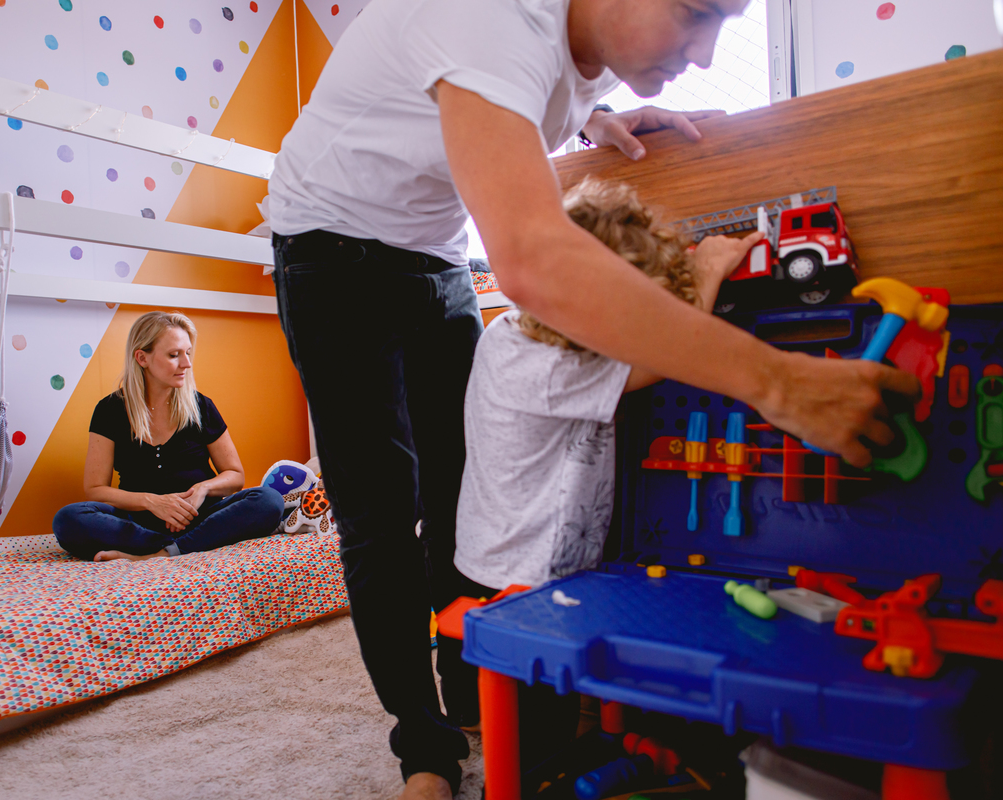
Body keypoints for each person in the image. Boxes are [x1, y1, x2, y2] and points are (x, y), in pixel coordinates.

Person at [267, 1, 919, 796]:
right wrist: (779, 381)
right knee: (381, 514)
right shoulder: (490, 16)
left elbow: (505, 94)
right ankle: (424, 745)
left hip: (432, 253)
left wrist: (593, 115)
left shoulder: (580, 47)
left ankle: (474, 688)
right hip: (331, 249)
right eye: (695, 12)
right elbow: (533, 259)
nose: (705, 54)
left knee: (455, 488)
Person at [454, 178, 756, 768]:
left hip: (509, 549)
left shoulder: (516, 333)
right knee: (539, 724)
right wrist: (709, 270)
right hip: (523, 569)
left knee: (546, 700)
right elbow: (674, 351)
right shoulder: (551, 366)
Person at [53, 311, 284, 562]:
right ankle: (175, 546)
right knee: (68, 519)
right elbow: (95, 489)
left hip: (201, 518)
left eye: (188, 353)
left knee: (268, 500)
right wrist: (152, 502)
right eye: (174, 355)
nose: (186, 363)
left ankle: (159, 553)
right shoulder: (110, 410)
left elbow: (235, 476)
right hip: (138, 524)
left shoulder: (201, 406)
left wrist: (202, 489)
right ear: (142, 358)